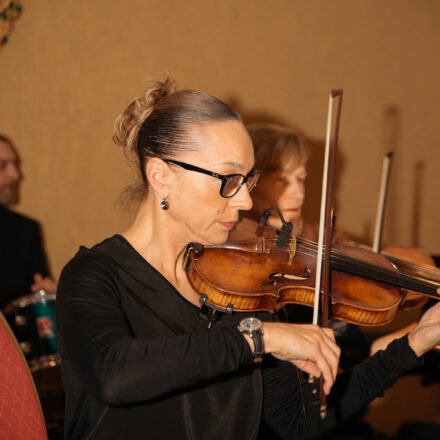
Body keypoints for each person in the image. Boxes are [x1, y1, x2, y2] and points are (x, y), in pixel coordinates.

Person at [56, 76, 440, 440]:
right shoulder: (95, 274)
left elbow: (299, 421)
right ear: (161, 175)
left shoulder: (241, 284)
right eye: (229, 180)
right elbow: (115, 374)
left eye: (248, 181)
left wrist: (415, 344)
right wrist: (262, 338)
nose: (244, 201)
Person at [0, 134, 56, 309]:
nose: (16, 175)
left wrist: (58, 297)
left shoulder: (25, 231)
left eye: (15, 164)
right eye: (2, 166)